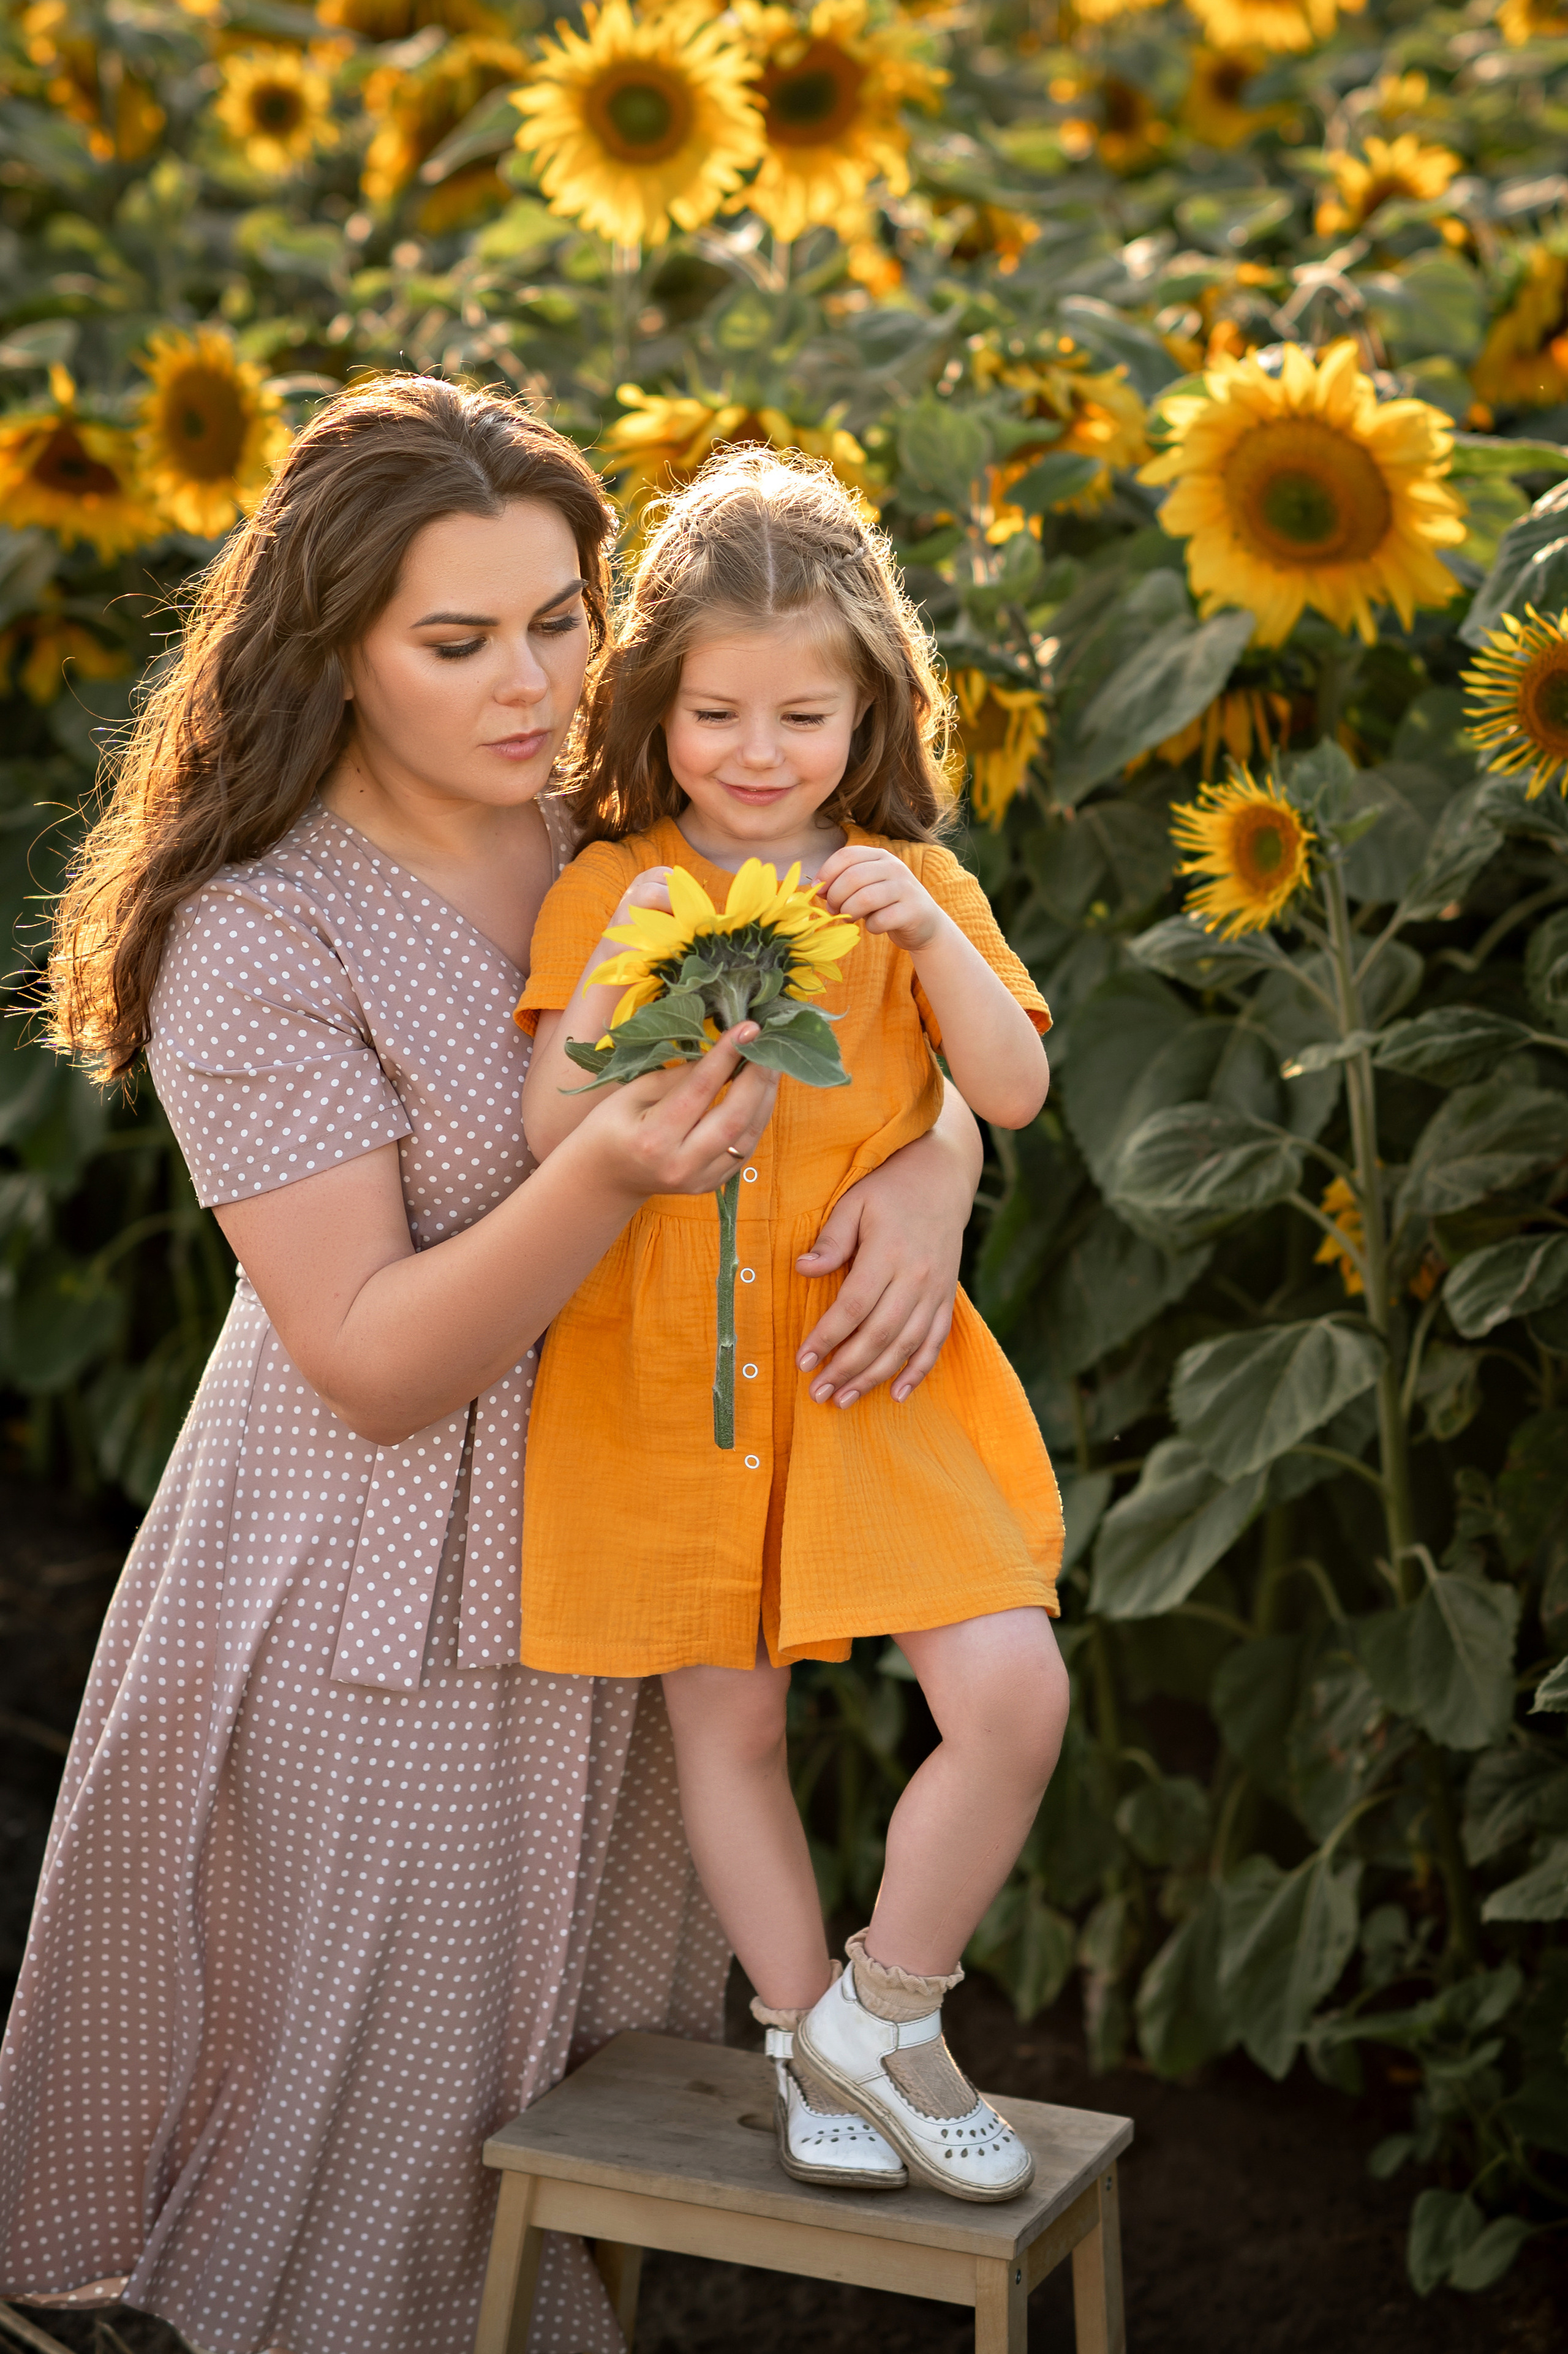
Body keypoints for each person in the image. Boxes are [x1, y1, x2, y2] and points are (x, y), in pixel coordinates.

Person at [0, 379, 989, 2354]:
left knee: (557, 2140)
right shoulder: (257, 939)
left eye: (563, 618)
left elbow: (896, 1026)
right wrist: (613, 1167)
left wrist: (939, 1176)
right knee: (360, 2180)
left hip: (627, 1553)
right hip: (383, 1603)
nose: (530, 680)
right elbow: (371, 1362)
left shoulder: (633, 822)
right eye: (458, 642)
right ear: (333, 650)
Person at [515, 448, 1071, 2208]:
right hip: (673, 1377)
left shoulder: (906, 886)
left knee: (1009, 1690)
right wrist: (634, 970)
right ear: (658, 712)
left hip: (871, 1367)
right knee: (730, 1727)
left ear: (870, 710)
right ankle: (792, 2016)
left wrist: (935, 938)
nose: (759, 757)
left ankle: (885, 2005)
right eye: (717, 716)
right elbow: (551, 1119)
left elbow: (1016, 1085)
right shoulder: (615, 884)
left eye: (805, 717)